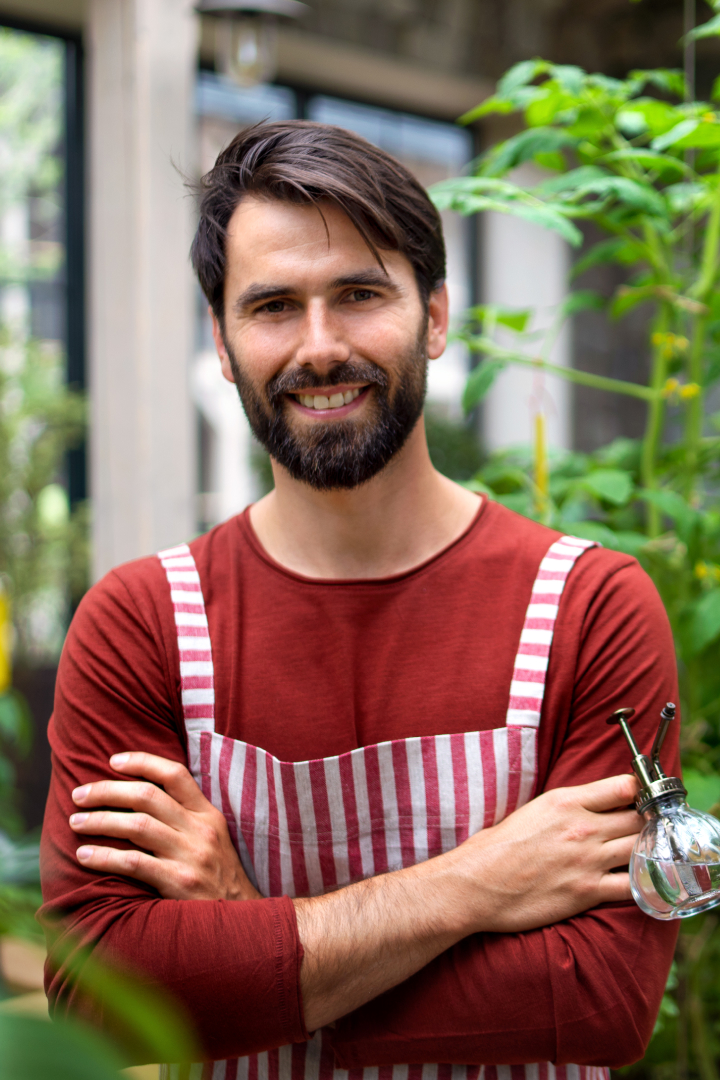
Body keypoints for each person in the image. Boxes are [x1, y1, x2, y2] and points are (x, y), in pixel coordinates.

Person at [40, 121, 679, 1078]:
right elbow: (98, 995)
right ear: (221, 341)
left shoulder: (590, 606)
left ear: (434, 315)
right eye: (272, 307)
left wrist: (243, 931)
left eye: (359, 294)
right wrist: (478, 883)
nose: (321, 346)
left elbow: (600, 1000)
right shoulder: (144, 622)